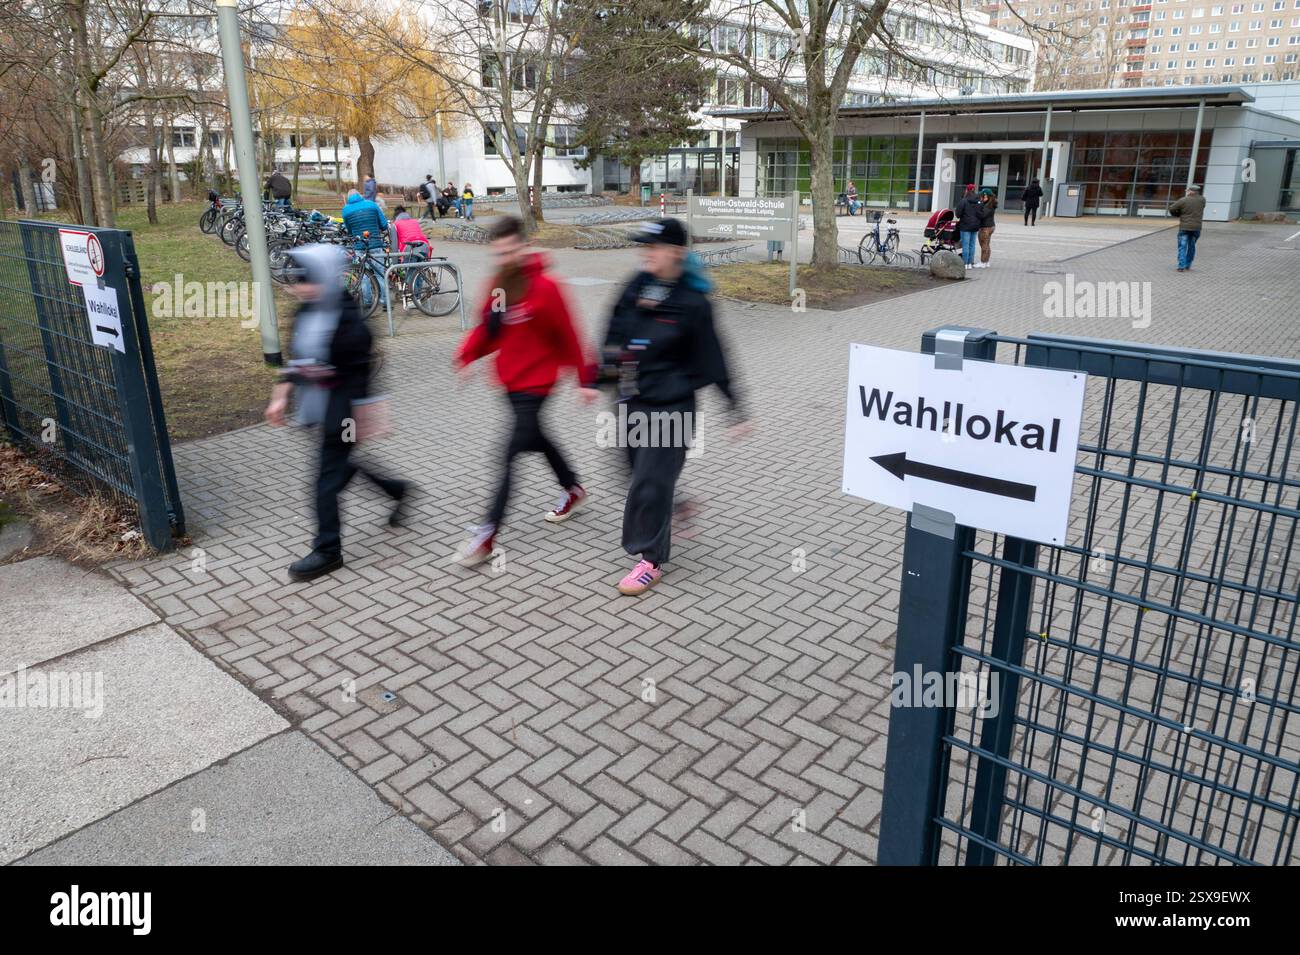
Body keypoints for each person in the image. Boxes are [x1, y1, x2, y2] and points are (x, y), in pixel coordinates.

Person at [597, 218, 747, 596]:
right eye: (644, 247)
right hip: (632, 398)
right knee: (632, 472)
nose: (646, 254)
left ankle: (650, 560)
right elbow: (614, 331)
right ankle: (677, 506)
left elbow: (714, 355)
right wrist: (601, 377)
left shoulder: (693, 302)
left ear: (676, 251)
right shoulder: (636, 284)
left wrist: (735, 408)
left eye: (654, 247)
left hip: (672, 407)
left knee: (649, 484)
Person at [452, 215, 596, 566]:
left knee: (508, 453)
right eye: (498, 253)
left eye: (509, 251)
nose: (504, 259)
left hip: (539, 383)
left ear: (524, 246)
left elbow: (570, 334)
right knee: (538, 439)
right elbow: (490, 328)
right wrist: (467, 355)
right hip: (510, 382)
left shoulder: (546, 287)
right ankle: (573, 488)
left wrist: (585, 379)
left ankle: (487, 535)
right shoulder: (500, 285)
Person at [264, 244, 411, 583]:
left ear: (326, 278)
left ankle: (328, 550)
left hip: (344, 414)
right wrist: (280, 395)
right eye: (298, 281)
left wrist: (357, 418)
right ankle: (397, 490)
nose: (301, 288)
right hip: (317, 409)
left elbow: (353, 374)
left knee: (324, 484)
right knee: (341, 469)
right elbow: (298, 361)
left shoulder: (349, 320)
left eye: (308, 280)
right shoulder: (305, 312)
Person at [1168, 184, 1206, 272]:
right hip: (1196, 227)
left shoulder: (1183, 200)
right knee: (1191, 246)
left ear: (1191, 191)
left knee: (1182, 246)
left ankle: (1181, 266)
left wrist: (1177, 214)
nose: (1187, 192)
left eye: (1188, 190)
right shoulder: (1202, 200)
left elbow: (1171, 208)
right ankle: (1188, 264)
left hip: (1184, 227)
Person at [954, 184, 983, 270]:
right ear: (974, 190)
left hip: (965, 226)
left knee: (965, 245)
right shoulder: (978, 201)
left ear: (967, 190)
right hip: (975, 226)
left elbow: (958, 214)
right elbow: (981, 214)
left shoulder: (964, 201)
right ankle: (970, 263)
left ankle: (965, 264)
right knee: (972, 245)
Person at [975, 188, 998, 269]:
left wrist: (978, 206)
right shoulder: (990, 204)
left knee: (984, 245)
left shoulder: (988, 205)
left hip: (985, 227)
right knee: (987, 244)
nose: (981, 197)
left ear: (986, 196)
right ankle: (986, 261)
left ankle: (983, 262)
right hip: (990, 226)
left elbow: (982, 215)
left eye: (983, 195)